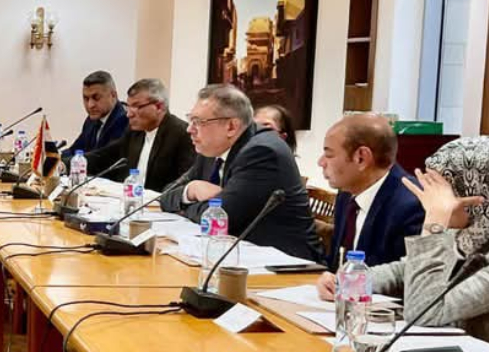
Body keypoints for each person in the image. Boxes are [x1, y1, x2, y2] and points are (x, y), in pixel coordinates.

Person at [317, 138, 489, 340]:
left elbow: (423, 312)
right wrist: (348, 281)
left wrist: (434, 224)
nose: (428, 201)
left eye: (439, 194)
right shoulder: (464, 238)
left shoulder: (451, 232)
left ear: (478, 198)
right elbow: (403, 271)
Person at [160, 84, 321, 261]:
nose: (189, 129)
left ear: (231, 127)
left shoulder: (262, 152)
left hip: (287, 264)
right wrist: (191, 190)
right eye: (190, 120)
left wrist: (185, 208)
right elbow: (166, 196)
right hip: (238, 255)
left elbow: (221, 218)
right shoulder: (211, 149)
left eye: (199, 122)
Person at [318, 114, 423, 271]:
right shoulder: (347, 192)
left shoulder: (412, 206)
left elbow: (405, 278)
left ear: (361, 158)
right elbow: (336, 263)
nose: (321, 162)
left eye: (329, 154)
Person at [83, 78, 196, 192]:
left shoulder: (182, 134)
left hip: (158, 201)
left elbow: (183, 183)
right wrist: (74, 162)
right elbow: (106, 155)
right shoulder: (135, 132)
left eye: (136, 107)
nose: (129, 114)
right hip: (129, 198)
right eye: (129, 106)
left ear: (159, 107)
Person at [63, 71, 128, 157]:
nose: (90, 105)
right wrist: (57, 157)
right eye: (86, 98)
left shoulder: (124, 121)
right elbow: (75, 150)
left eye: (96, 98)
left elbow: (100, 157)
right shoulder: (91, 120)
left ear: (113, 95)